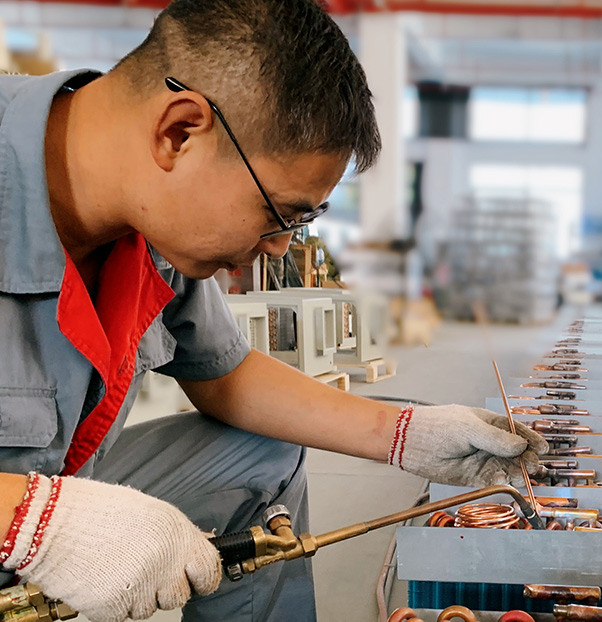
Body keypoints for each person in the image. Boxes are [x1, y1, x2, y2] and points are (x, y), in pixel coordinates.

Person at [0, 1, 548, 621]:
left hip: (51, 487)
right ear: (179, 132)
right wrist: (31, 520)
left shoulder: (152, 223)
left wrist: (400, 434)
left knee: (259, 458)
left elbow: (223, 376)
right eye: (279, 212)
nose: (281, 245)